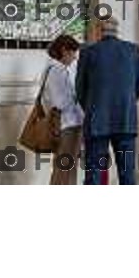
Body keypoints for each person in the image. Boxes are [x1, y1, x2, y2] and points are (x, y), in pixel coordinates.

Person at [76, 16, 139, 185]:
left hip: (97, 121)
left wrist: (93, 106)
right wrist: (126, 103)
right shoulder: (133, 50)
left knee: (94, 175)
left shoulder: (88, 52)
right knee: (127, 174)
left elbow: (80, 89)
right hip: (126, 120)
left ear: (99, 31)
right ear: (116, 30)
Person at [41, 34, 83, 185]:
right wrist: (78, 96)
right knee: (64, 170)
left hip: (65, 125)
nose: (74, 58)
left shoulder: (51, 69)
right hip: (67, 126)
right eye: (73, 54)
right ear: (64, 50)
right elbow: (60, 102)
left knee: (65, 169)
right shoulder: (58, 71)